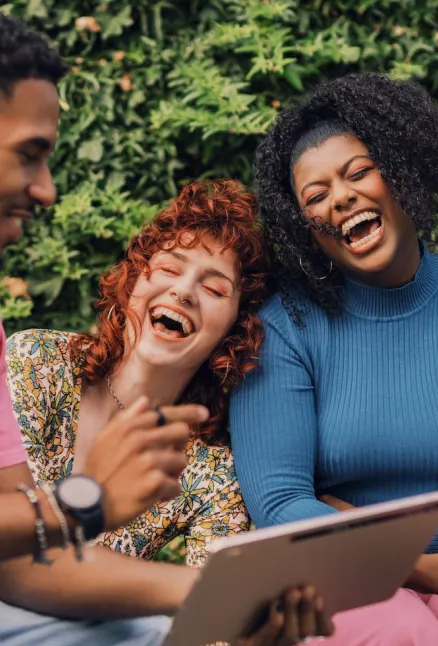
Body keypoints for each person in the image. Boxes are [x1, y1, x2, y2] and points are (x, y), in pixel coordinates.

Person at [0, 12, 332, 646]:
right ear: (132, 280)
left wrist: (243, 619)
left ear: (235, 330)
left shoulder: (205, 471)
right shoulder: (37, 361)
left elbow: (20, 561)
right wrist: (84, 500)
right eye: (171, 267)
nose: (182, 289)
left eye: (213, 288)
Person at [230, 73, 438, 645]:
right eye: (315, 197)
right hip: (334, 580)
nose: (340, 197)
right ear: (305, 229)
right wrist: (403, 564)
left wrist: (369, 529)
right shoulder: (281, 327)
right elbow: (281, 507)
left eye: (359, 172)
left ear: (404, 171)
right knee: (404, 633)